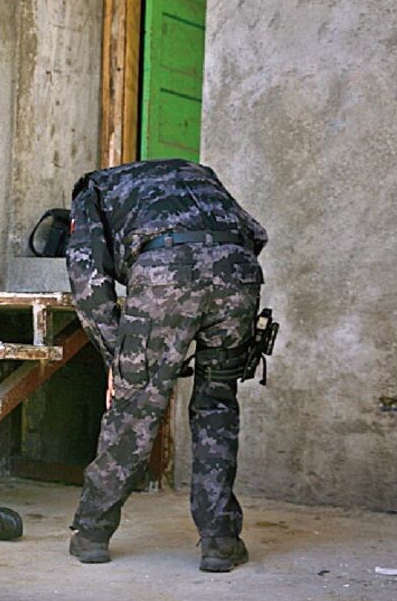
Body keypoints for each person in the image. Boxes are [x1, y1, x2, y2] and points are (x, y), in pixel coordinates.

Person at [65, 158, 268, 572]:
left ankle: (92, 533)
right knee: (217, 401)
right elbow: (255, 234)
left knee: (136, 408)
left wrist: (117, 358)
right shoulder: (197, 172)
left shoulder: (92, 189)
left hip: (165, 272)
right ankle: (220, 540)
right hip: (239, 270)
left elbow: (87, 280)